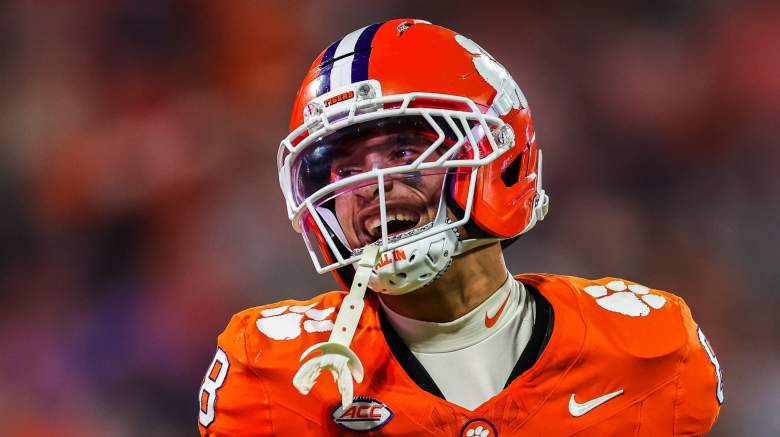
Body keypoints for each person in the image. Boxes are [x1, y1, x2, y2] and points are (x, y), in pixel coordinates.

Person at [197, 19, 723, 436]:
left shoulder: (646, 352)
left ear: (502, 156)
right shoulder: (272, 377)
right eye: (345, 169)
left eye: (404, 150)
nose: (372, 186)